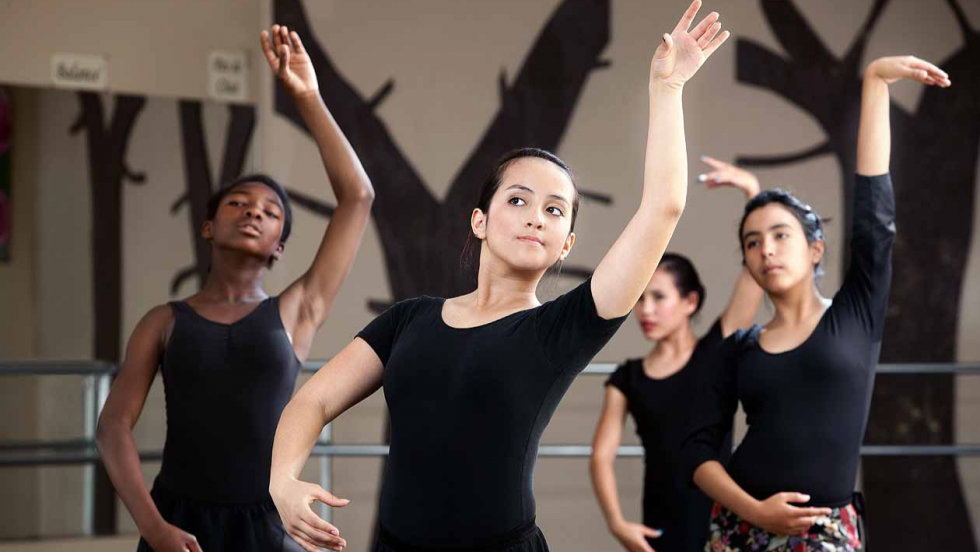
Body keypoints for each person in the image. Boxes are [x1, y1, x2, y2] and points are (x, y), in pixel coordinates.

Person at [267, 3, 730, 551]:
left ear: (567, 245)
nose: (538, 215)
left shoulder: (565, 327)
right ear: (480, 221)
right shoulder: (408, 319)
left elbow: (663, 207)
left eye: (556, 211)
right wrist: (282, 481)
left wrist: (668, 85)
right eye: (519, 199)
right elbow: (311, 402)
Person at [96, 25, 375, 552]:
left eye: (271, 212)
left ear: (278, 247)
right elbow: (112, 427)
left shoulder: (297, 309)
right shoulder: (164, 320)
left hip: (268, 523)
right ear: (208, 227)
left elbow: (357, 197)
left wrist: (307, 97)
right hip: (175, 519)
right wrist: (154, 527)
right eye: (239, 204)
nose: (254, 212)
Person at [683, 55, 950, 551]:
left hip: (824, 531)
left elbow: (875, 211)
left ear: (815, 248)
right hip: (738, 529)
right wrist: (754, 510)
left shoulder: (855, 314)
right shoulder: (741, 347)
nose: (766, 249)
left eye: (780, 235)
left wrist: (874, 82)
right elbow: (698, 450)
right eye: (752, 242)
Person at [591, 159, 764, 552]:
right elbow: (602, 457)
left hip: (724, 520)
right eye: (640, 299)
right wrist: (617, 523)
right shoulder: (627, 378)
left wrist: (753, 193)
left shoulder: (717, 351)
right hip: (660, 527)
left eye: (659, 298)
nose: (645, 310)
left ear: (690, 302)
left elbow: (755, 274)